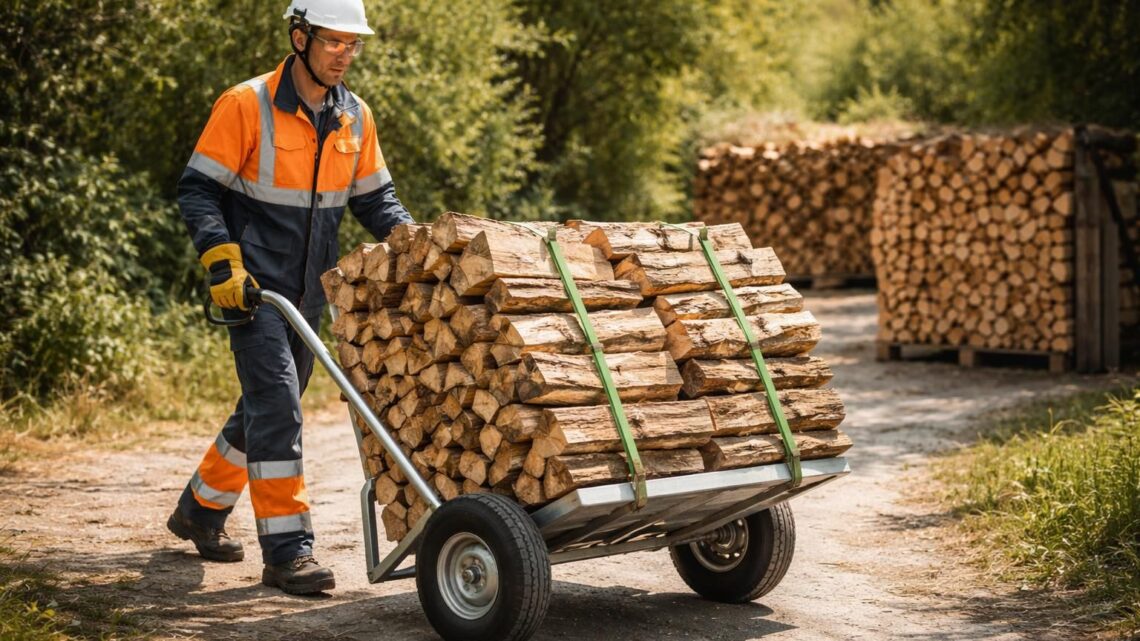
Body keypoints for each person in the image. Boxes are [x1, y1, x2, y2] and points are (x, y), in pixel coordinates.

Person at [167, 0, 414, 595]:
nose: (344, 55)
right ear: (299, 37)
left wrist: (420, 244)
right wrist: (222, 260)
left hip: (309, 292)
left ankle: (199, 510)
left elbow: (376, 202)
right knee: (278, 406)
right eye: (333, 42)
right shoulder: (245, 104)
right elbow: (197, 190)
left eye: (353, 45)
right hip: (252, 289)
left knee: (263, 408)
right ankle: (287, 551)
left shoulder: (354, 115)